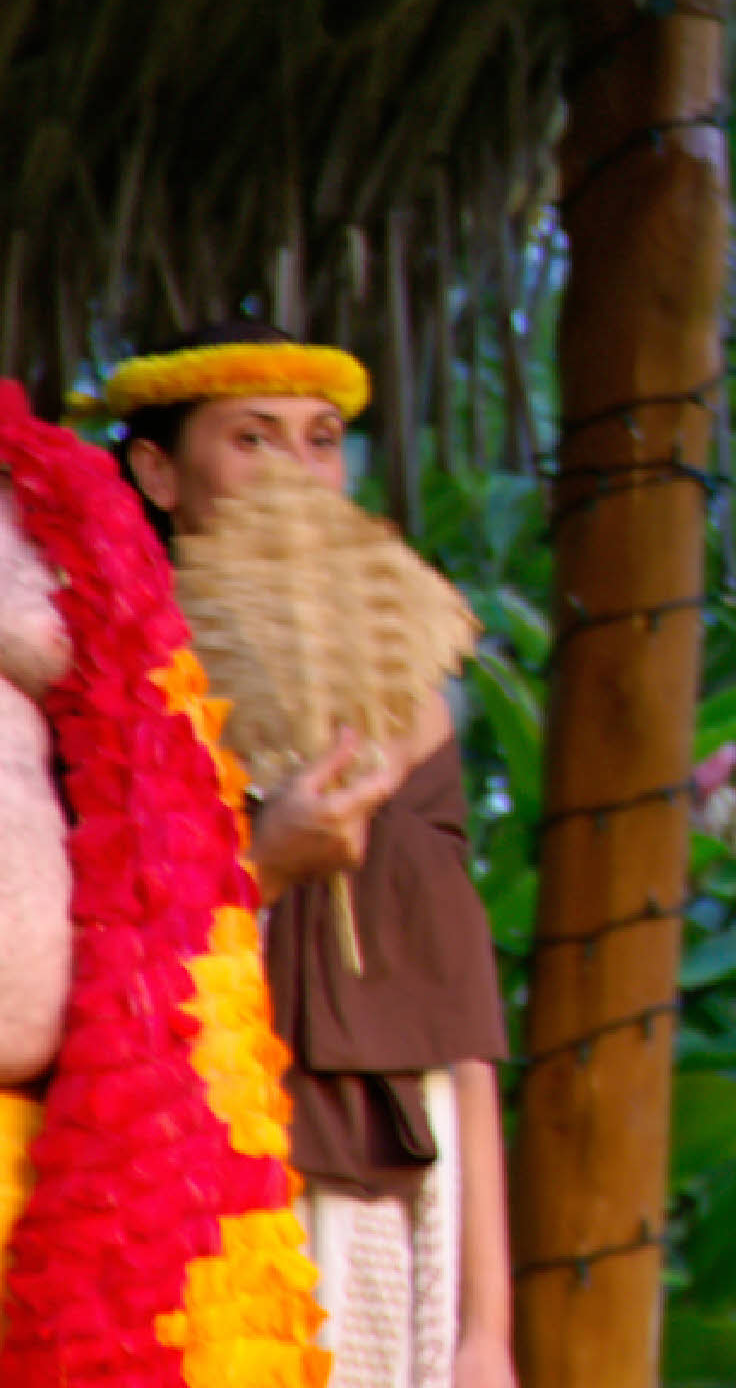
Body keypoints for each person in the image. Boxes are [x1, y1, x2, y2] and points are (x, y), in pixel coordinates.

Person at [110, 323, 516, 1388]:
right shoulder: (107, 678)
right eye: (252, 438)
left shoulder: (408, 705)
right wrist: (264, 865)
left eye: (322, 438)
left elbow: (458, 1043)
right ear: (155, 468)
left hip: (392, 1190)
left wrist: (489, 1336)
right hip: (180, 1186)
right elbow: (77, 974)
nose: (297, 471)